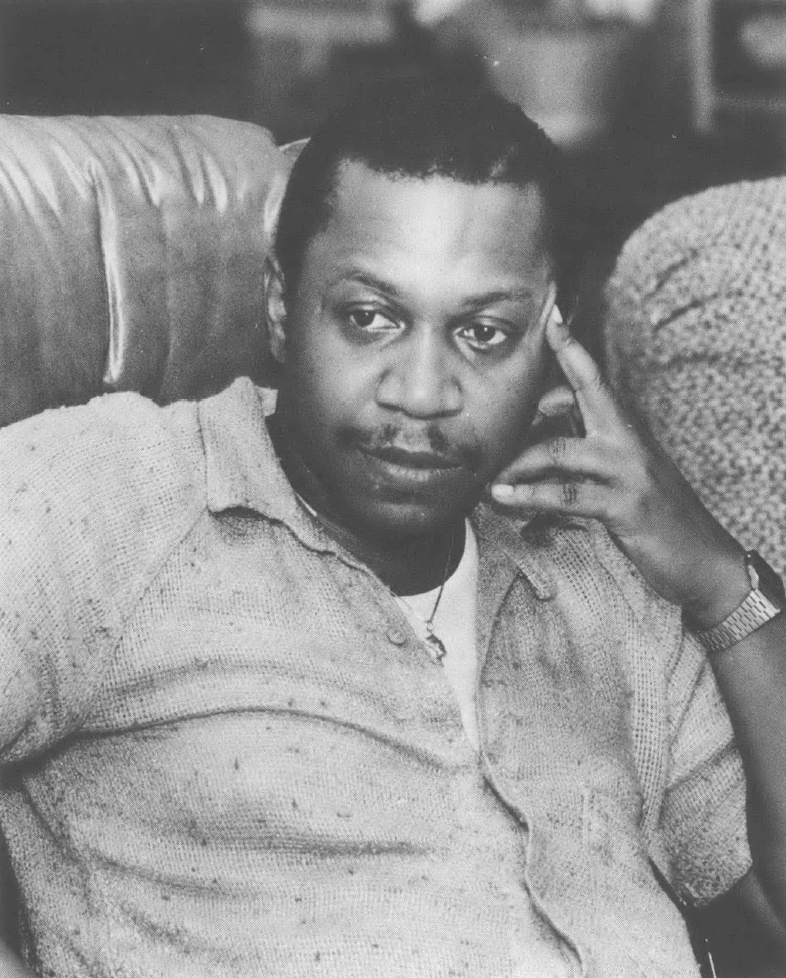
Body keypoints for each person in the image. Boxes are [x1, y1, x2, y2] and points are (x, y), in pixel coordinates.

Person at [1, 81, 785, 978]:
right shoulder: (118, 498)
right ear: (282, 307)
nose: (421, 391)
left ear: (553, 343)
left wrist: (725, 584)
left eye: (484, 333)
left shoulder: (598, 567)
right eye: (370, 318)